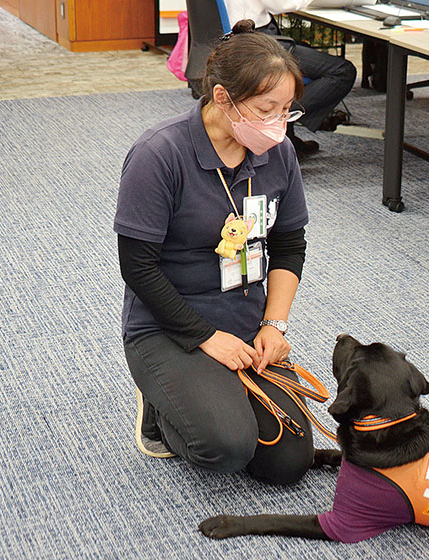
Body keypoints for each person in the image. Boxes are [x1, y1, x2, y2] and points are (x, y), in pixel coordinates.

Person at [114, 20, 315, 484]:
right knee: (224, 448)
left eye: (287, 109)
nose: (279, 124)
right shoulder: (159, 154)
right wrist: (205, 336)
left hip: (245, 322)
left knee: (287, 462)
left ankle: (208, 392)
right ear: (223, 98)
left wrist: (274, 324)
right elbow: (137, 267)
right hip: (168, 325)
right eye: (267, 109)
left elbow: (289, 245)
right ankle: (160, 408)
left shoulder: (276, 152)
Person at [224, 1, 357, 158]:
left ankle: (287, 132)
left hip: (231, 37)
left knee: (304, 48)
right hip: (256, 40)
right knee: (341, 71)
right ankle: (280, 119)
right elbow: (284, 4)